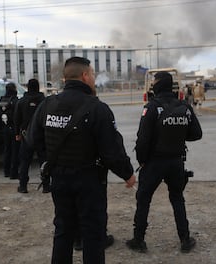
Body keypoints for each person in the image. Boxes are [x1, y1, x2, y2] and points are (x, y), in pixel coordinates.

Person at [27, 57, 136, 264]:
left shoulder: (47, 105)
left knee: (63, 231)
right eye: (92, 74)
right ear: (85, 76)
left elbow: (32, 139)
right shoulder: (97, 108)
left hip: (59, 178)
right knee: (93, 234)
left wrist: (50, 159)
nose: (94, 79)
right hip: (89, 180)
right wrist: (127, 174)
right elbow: (112, 151)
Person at [127, 71, 202, 253]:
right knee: (177, 199)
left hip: (154, 163)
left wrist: (142, 161)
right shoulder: (184, 107)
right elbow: (196, 134)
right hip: (176, 161)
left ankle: (139, 240)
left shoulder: (152, 107)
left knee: (144, 200)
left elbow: (143, 139)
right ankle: (185, 239)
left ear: (157, 85)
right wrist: (178, 135)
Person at [13, 78, 48, 193]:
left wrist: (17, 133)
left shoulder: (22, 101)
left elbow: (17, 119)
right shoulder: (45, 101)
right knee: (43, 161)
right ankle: (46, 185)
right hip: (42, 135)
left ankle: (23, 186)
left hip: (26, 135)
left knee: (25, 162)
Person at [0, 83, 20, 179]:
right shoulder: (15, 101)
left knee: (7, 150)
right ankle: (14, 172)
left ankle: (6, 171)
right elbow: (18, 116)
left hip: (4, 128)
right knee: (15, 151)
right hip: (14, 128)